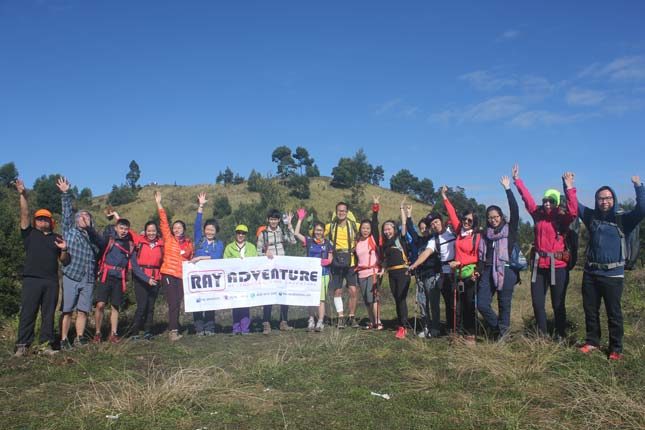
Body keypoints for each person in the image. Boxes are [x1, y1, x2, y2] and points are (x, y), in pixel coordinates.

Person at [577, 175, 645, 360]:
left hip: (613, 275)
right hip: (591, 273)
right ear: (596, 200)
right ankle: (592, 341)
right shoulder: (591, 217)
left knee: (613, 312)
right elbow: (575, 205)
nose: (604, 201)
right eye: (601, 198)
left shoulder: (624, 219)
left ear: (613, 199)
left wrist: (639, 186)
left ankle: (616, 348)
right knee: (590, 310)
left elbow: (642, 209)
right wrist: (568, 186)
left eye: (607, 198)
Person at [513, 165, 577, 340]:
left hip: (558, 266)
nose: (547, 203)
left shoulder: (563, 218)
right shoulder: (538, 215)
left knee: (558, 304)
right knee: (537, 303)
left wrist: (569, 187)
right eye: (545, 200)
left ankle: (560, 334)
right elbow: (527, 199)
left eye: (551, 200)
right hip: (539, 266)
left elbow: (573, 210)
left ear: (556, 202)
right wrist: (517, 181)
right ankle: (542, 335)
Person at [14, 179, 70, 357]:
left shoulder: (57, 237)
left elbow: (65, 261)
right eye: (39, 218)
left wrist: (64, 249)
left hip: (51, 281)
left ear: (50, 221)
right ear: (35, 221)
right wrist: (23, 194)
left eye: (45, 218)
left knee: (48, 314)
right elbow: (24, 213)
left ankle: (45, 345)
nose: (41, 220)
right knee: (28, 313)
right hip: (31, 279)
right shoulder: (29, 233)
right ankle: (22, 345)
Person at [57, 177, 102, 350]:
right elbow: (67, 213)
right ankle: (63, 339)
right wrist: (65, 193)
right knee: (67, 309)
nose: (84, 218)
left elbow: (101, 247)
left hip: (88, 277)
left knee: (83, 310)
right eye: (81, 216)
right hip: (72, 274)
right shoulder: (70, 231)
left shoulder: (94, 237)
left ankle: (80, 337)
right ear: (76, 220)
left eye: (87, 216)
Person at [475, 174, 520, 339]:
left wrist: (508, 189)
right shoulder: (485, 234)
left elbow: (515, 210)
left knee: (504, 304)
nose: (493, 220)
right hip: (487, 271)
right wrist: (479, 270)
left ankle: (503, 335)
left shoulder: (510, 231)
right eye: (490, 217)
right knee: (481, 303)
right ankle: (499, 329)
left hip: (506, 271)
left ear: (501, 217)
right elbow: (481, 256)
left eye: (496, 217)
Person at [93, 216, 147, 343]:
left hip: (120, 277)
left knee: (115, 306)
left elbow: (134, 264)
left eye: (126, 229)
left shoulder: (130, 244)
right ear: (116, 228)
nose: (123, 231)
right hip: (106, 275)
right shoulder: (109, 240)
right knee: (100, 304)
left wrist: (146, 278)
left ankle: (113, 333)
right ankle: (97, 333)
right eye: (121, 228)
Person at [441, 186, 481, 344]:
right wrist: (444, 196)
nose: (466, 222)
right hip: (457, 274)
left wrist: (460, 262)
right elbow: (452, 213)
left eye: (469, 220)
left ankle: (470, 333)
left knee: (468, 306)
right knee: (456, 306)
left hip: (470, 275)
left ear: (474, 222)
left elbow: (477, 256)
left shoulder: (476, 237)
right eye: (464, 219)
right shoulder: (459, 232)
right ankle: (457, 332)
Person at [408, 211, 457, 337]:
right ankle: (449, 330)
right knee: (447, 303)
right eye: (432, 224)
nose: (435, 225)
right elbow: (426, 253)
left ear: (441, 220)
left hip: (458, 272)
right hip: (444, 274)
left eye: (436, 221)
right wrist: (414, 265)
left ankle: (457, 329)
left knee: (455, 304)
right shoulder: (433, 239)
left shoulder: (453, 231)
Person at [155, 191, 194, 341]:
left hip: (182, 276)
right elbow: (163, 222)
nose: (176, 229)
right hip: (168, 274)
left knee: (178, 301)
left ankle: (175, 325)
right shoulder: (169, 239)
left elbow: (190, 259)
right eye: (175, 227)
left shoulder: (189, 243)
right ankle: (173, 331)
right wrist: (159, 204)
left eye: (179, 227)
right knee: (173, 302)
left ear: (184, 229)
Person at [257, 208, 296, 334]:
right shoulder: (263, 234)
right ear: (268, 220)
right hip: (269, 270)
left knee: (284, 294)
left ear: (279, 220)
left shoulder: (283, 231)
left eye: (275, 219)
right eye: (271, 219)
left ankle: (284, 322)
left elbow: (293, 241)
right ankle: (266, 323)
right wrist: (264, 252)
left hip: (282, 268)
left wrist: (289, 225)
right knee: (268, 295)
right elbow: (258, 252)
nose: (273, 221)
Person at [189, 193, 224, 336]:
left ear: (216, 231)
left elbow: (216, 257)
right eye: (207, 229)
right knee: (197, 301)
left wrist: (199, 258)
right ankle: (198, 328)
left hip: (211, 278)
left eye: (212, 230)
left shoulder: (219, 243)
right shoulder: (199, 240)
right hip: (197, 277)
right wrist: (201, 206)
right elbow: (197, 224)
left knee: (210, 301)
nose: (209, 231)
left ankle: (209, 327)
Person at [293, 209, 333, 332]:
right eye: (317, 230)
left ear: (324, 232)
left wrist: (326, 261)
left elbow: (330, 259)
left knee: (321, 299)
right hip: (310, 276)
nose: (318, 232)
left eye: (321, 230)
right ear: (313, 231)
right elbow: (296, 234)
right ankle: (311, 320)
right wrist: (300, 219)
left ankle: (320, 321)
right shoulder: (309, 241)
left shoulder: (328, 243)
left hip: (323, 275)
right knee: (310, 298)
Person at [403, 204, 439, 338]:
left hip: (432, 274)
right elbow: (410, 229)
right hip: (420, 276)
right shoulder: (418, 241)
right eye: (421, 228)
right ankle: (426, 326)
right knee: (422, 303)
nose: (423, 230)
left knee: (433, 302)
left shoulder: (434, 239)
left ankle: (435, 327)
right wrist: (409, 215)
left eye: (425, 228)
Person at [379, 201, 412, 339]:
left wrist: (401, 209)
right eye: (385, 229)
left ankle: (403, 326)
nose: (387, 231)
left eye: (389, 228)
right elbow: (386, 260)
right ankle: (401, 324)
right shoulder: (386, 244)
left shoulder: (400, 238)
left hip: (403, 272)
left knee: (401, 298)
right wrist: (382, 269)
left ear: (394, 229)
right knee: (397, 298)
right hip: (391, 273)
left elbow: (404, 225)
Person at [325, 202, 361, 328]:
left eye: (344, 211)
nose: (341, 213)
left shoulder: (353, 225)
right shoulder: (330, 226)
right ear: (336, 212)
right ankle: (340, 318)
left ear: (347, 212)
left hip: (350, 261)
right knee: (338, 291)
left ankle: (351, 317)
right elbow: (316, 235)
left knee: (353, 290)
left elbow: (367, 229)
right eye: (339, 210)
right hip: (336, 262)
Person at [128, 219, 164, 340]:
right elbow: (128, 230)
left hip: (156, 277)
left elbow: (164, 261)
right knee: (142, 305)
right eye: (149, 231)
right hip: (141, 277)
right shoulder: (139, 242)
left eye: (153, 230)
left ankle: (148, 330)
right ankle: (134, 331)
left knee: (151, 306)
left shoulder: (161, 243)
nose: (151, 233)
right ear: (145, 231)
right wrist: (116, 216)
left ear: (156, 231)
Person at [353, 198, 382, 330]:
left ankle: (378, 322)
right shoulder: (357, 242)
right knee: (366, 299)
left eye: (367, 228)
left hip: (372, 272)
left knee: (373, 298)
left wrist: (375, 207)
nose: (365, 230)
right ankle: (372, 322)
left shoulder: (373, 238)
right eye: (363, 228)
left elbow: (375, 223)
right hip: (361, 274)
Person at [223, 224, 258, 334]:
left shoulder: (252, 247)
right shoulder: (229, 247)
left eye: (243, 233)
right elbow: (225, 262)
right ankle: (236, 328)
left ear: (246, 235)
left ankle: (245, 328)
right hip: (234, 281)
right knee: (235, 304)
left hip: (247, 281)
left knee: (245, 304)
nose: (241, 235)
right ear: (236, 233)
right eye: (239, 232)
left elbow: (256, 263)